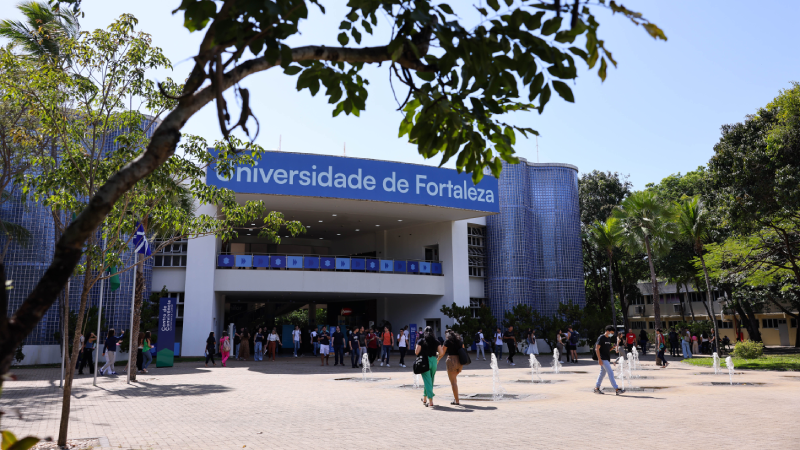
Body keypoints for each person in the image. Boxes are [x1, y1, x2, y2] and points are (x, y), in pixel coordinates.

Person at [416, 326, 444, 407]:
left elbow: (417, 352)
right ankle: (424, 398)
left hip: (425, 361)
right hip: (434, 361)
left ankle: (430, 401)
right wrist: (437, 358)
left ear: (424, 333)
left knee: (428, 381)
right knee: (430, 380)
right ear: (433, 333)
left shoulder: (421, 340)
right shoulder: (436, 341)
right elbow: (441, 353)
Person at [593, 325, 624, 395]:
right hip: (603, 359)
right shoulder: (601, 338)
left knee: (602, 374)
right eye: (611, 333)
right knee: (610, 373)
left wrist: (613, 347)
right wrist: (599, 359)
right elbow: (596, 348)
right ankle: (617, 389)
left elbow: (608, 349)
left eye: (613, 333)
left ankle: (596, 388)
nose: (612, 334)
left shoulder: (608, 339)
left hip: (606, 358)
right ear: (607, 331)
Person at [441, 330, 464, 406]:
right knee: (454, 380)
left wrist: (437, 358)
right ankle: (456, 397)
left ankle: (457, 401)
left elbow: (442, 352)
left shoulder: (447, 341)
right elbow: (463, 350)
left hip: (451, 361)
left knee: (453, 382)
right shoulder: (460, 341)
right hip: (460, 362)